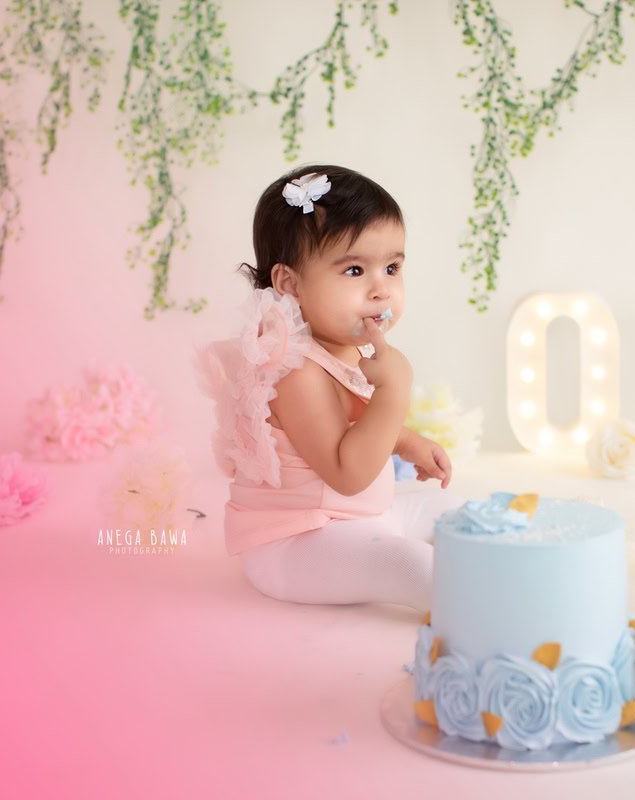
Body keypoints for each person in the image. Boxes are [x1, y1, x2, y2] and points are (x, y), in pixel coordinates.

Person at [196, 164, 464, 613]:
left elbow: (345, 426)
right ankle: (493, 606)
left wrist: (406, 440)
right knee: (406, 562)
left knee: (453, 511)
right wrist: (394, 392)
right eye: (355, 270)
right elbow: (347, 472)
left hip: (355, 520)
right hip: (298, 542)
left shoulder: (341, 346)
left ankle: (516, 560)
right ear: (290, 284)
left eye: (392, 267)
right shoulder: (293, 369)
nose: (382, 290)